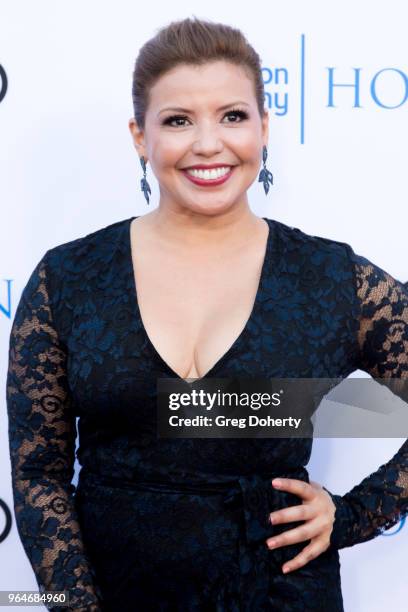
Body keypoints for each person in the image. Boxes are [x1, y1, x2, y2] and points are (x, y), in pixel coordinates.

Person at [5, 16, 408, 612]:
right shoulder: (68, 278)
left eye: (232, 116)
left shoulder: (330, 278)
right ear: (140, 137)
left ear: (264, 128)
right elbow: (37, 472)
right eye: (177, 120)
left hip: (282, 596)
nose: (207, 143)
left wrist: (353, 515)